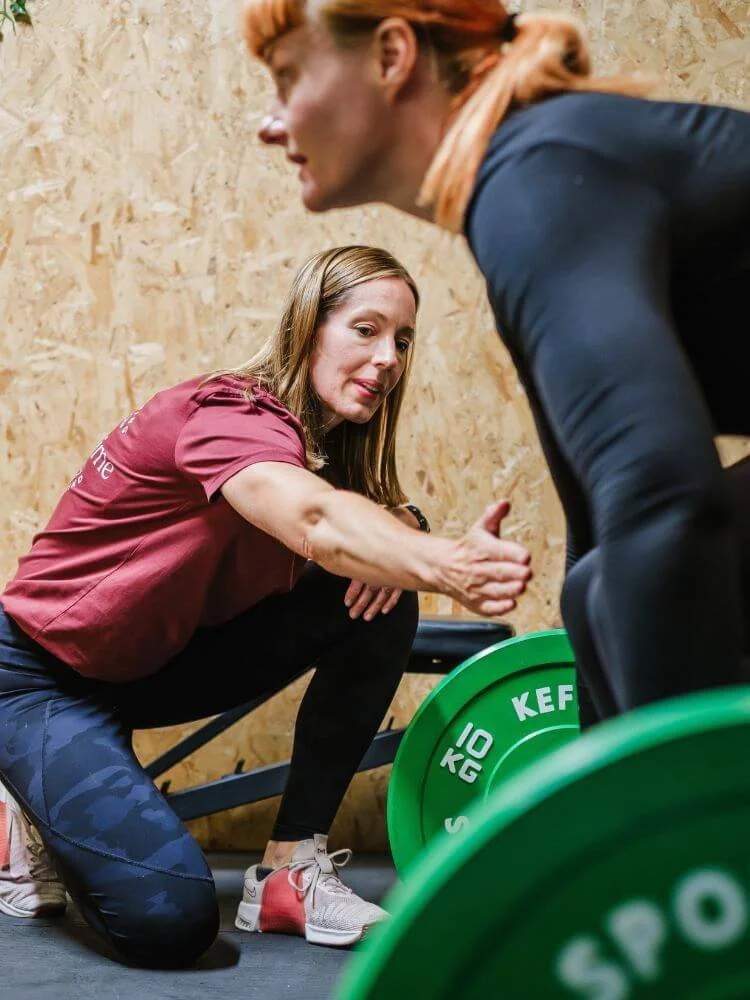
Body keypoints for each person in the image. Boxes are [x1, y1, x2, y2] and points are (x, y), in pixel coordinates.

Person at [0, 244, 531, 966]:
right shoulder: (228, 413)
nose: (388, 359)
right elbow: (312, 519)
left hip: (148, 665)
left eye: (402, 340)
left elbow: (345, 516)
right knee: (171, 925)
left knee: (377, 594)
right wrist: (446, 564)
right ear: (309, 327)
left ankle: (289, 868)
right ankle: (22, 816)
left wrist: (405, 531)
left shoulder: (320, 447)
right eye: (366, 330)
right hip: (37, 677)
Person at [245, 0, 750, 728]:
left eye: (289, 76)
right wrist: (605, 803)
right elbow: (601, 524)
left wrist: (667, 811)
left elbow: (662, 498)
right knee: (599, 589)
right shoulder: (530, 187)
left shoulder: (537, 181)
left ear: (392, 57)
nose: (271, 121)